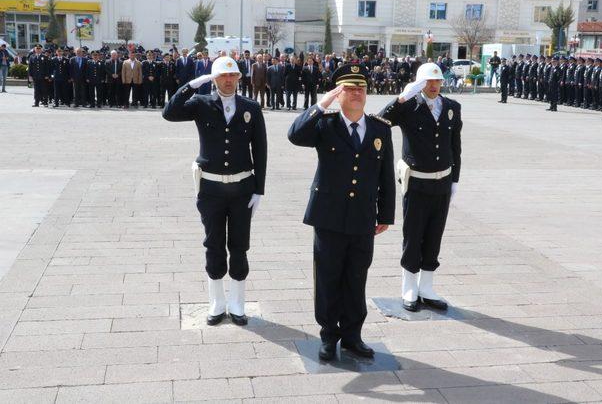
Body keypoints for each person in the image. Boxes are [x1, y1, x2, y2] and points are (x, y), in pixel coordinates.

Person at [288, 64, 395, 361]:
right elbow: (295, 134)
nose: (357, 92)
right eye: (349, 88)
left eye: (361, 88)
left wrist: (385, 214)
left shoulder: (379, 129)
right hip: (328, 217)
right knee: (327, 277)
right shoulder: (325, 124)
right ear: (339, 93)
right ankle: (328, 336)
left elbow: (386, 174)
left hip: (362, 218)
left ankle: (352, 336)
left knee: (356, 277)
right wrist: (322, 104)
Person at [163, 56, 267, 326]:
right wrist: (191, 85)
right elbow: (169, 113)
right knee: (213, 244)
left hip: (243, 188)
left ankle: (237, 304)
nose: (228, 80)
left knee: (240, 246)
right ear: (214, 79)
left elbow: (261, 149)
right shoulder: (201, 103)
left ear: (239, 78)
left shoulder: (251, 107)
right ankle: (217, 303)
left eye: (233, 76)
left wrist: (260, 189)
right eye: (223, 76)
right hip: (210, 188)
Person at [379, 63, 461, 313]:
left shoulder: (451, 108)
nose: (434, 86)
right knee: (413, 235)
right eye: (428, 82)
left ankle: (426, 287)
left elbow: (455, 146)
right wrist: (402, 98)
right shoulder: (408, 108)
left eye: (437, 82)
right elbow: (380, 120)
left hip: (442, 182)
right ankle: (409, 288)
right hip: (417, 182)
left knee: (434, 234)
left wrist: (455, 178)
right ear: (419, 84)